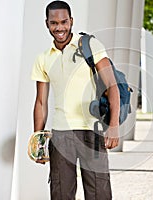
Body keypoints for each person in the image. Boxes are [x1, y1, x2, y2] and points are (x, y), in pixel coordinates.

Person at [31, 1, 120, 199]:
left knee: (99, 193)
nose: (59, 28)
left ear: (71, 21)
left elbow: (112, 86)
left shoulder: (90, 45)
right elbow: (41, 102)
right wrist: (38, 139)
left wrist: (113, 126)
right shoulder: (43, 58)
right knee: (61, 193)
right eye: (54, 23)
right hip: (60, 135)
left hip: (92, 131)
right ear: (47, 24)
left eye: (64, 22)